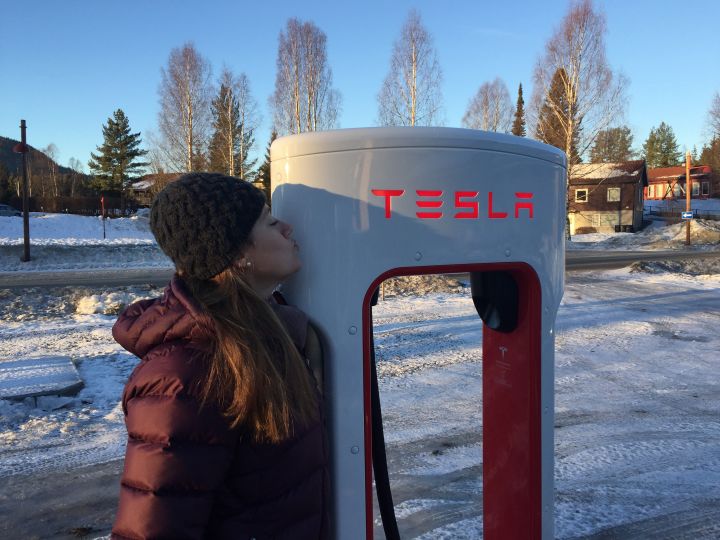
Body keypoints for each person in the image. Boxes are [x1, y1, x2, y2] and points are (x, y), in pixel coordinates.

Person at [111, 172, 328, 539]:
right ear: (238, 253)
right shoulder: (183, 377)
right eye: (270, 222)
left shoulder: (267, 337)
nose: (288, 227)